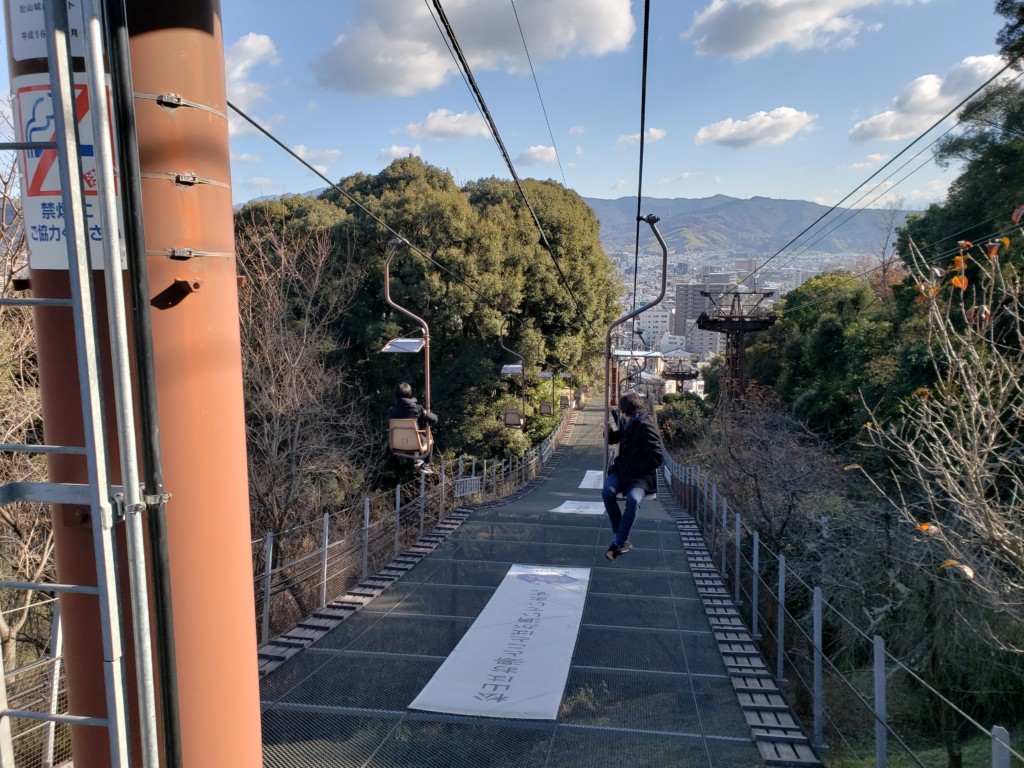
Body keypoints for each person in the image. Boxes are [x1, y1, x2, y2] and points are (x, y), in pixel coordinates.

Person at [602, 392, 664, 561]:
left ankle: (618, 542)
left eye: (622, 411)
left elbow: (657, 457)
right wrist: (607, 431)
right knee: (607, 492)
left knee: (633, 500)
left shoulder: (645, 425)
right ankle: (621, 538)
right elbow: (615, 438)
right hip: (622, 471)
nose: (621, 414)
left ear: (628, 411)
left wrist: (637, 467)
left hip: (640, 478)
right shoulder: (629, 424)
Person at [388, 382, 438, 473]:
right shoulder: (417, 408)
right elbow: (434, 419)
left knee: (412, 431)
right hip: (416, 442)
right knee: (428, 436)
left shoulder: (391, 411)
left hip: (397, 443)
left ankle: (417, 459)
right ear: (409, 393)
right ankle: (426, 464)